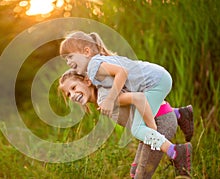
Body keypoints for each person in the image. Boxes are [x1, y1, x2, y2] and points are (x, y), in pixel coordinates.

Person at [59, 31, 193, 177]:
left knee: (138, 131)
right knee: (134, 167)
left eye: (73, 88)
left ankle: (175, 151)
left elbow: (135, 92)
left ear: (87, 81)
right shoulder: (103, 78)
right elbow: (135, 109)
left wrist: (151, 127)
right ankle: (179, 113)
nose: (72, 96)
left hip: (156, 84)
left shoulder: (96, 73)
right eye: (68, 94)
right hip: (158, 81)